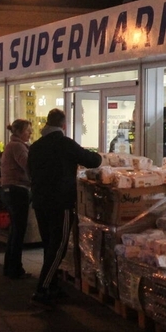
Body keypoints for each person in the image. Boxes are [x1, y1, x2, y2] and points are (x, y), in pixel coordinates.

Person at [27, 108, 102, 307]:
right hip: (60, 202)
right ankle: (42, 287)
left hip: (40, 201)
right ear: (63, 125)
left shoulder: (35, 146)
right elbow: (92, 160)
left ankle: (52, 284)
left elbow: (30, 172)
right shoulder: (64, 144)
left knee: (49, 244)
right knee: (58, 245)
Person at [0, 118, 33, 279]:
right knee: (18, 231)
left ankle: (10, 266)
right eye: (27, 130)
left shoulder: (12, 145)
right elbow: (28, 166)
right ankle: (15, 268)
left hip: (9, 190)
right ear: (19, 132)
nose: (30, 133)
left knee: (15, 230)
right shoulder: (18, 147)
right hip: (17, 190)